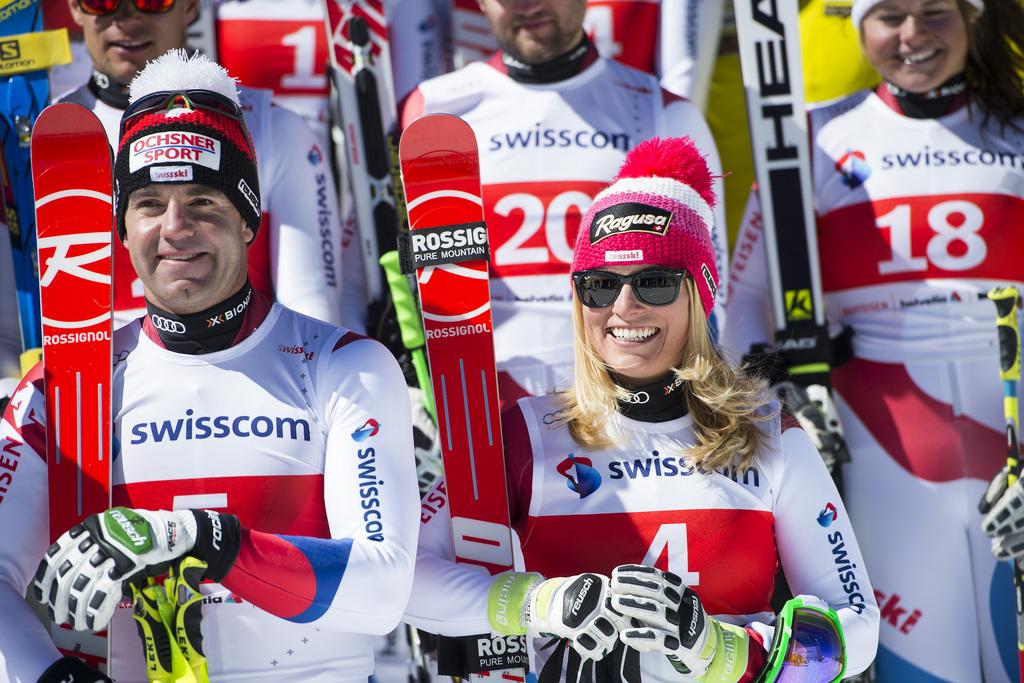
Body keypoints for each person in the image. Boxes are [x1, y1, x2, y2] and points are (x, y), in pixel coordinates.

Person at [0, 52, 419, 682]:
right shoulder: (66, 387)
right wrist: (52, 677)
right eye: (148, 203)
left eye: (203, 200)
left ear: (249, 218)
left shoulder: (346, 368)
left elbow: (384, 590)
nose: (175, 228)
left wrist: (203, 540)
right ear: (121, 224)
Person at [404, 137, 879, 682]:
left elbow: (857, 630)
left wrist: (718, 648)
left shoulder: (769, 434)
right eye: (600, 285)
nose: (624, 307)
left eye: (654, 283)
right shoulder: (525, 434)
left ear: (699, 297)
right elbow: (405, 578)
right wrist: (539, 604)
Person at [723, 0, 1024, 680]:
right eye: (889, 15)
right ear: (858, 26)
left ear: (973, 18)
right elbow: (742, 298)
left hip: (1012, 449)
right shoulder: (813, 138)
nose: (912, 35)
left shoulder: (1016, 130)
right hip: (881, 464)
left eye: (934, 13)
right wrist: (782, 405)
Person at [378, 0, 728, 412]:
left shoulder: (662, 113)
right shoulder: (431, 111)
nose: (526, 6)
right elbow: (387, 269)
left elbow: (710, 297)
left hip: (620, 402)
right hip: (479, 417)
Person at [57, 0, 343, 327]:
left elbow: (311, 313)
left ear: (191, 5)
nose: (126, 18)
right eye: (102, 2)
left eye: (151, 1)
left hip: (242, 366)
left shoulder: (275, 128)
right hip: (101, 375)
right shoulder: (44, 139)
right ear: (75, 8)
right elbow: (8, 340)